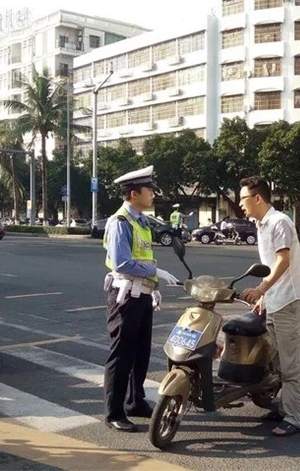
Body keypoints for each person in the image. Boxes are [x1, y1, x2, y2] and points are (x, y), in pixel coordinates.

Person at [102, 165, 179, 433]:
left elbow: (143, 257)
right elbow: (123, 262)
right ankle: (113, 412)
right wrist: (155, 272)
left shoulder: (140, 221)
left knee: (140, 353)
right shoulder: (120, 222)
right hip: (126, 296)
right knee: (121, 355)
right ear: (134, 193)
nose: (153, 195)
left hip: (142, 294)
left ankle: (136, 401)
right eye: (149, 190)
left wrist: (153, 284)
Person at [239, 176, 300, 437]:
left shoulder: (279, 222)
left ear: (258, 198)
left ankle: (295, 417)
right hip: (276, 302)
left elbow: (283, 261)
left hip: (290, 302)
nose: (240, 203)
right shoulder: (261, 225)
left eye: (243, 198)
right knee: (277, 362)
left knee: (291, 365)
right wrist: (264, 298)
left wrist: (260, 289)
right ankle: (284, 408)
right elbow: (270, 266)